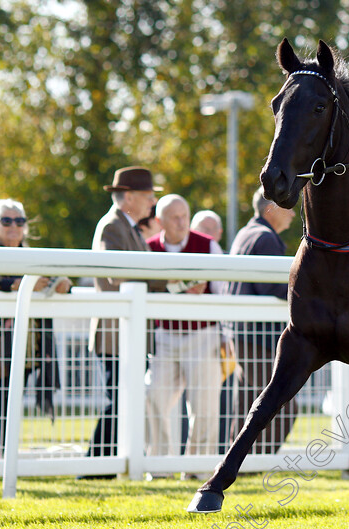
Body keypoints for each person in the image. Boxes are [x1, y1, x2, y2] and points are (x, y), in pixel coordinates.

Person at [83, 167, 167, 474]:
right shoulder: (113, 226)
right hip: (115, 333)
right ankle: (94, 467)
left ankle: (99, 467)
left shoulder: (126, 226)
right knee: (118, 401)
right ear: (128, 197)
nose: (153, 201)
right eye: (148, 196)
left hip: (125, 333)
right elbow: (116, 274)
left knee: (122, 401)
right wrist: (164, 281)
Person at [145, 194, 225, 459]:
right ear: (160, 220)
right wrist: (181, 289)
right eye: (175, 217)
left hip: (203, 335)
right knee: (153, 397)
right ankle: (159, 465)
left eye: (185, 216)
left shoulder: (208, 245)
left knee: (204, 406)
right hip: (165, 336)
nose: (181, 222)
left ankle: (197, 468)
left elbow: (224, 293)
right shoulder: (148, 248)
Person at [0, 199, 70, 459]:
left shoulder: (34, 257)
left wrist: (62, 283)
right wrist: (12, 285)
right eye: (6, 220)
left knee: (6, 410)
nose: (13, 226)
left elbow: (57, 278)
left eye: (19, 221)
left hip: (23, 350)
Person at [227, 188, 297, 454]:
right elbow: (273, 288)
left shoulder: (246, 233)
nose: (292, 213)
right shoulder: (265, 238)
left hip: (242, 333)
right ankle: (254, 461)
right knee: (284, 404)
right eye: (287, 206)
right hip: (259, 338)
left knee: (247, 403)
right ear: (271, 209)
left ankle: (239, 461)